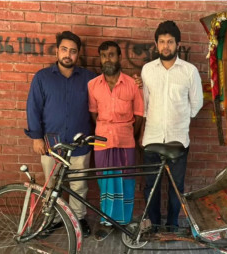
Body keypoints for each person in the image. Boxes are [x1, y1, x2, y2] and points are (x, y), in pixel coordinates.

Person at [25, 31, 95, 238]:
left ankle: (78, 219)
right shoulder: (42, 78)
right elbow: (33, 108)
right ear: (57, 51)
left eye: (73, 51)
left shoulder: (89, 78)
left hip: (80, 142)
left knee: (79, 184)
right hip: (51, 144)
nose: (68, 55)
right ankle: (53, 219)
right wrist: (37, 137)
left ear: (78, 54)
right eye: (64, 49)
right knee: (52, 184)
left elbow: (108, 92)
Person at [140, 21, 203, 232]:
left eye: (170, 42)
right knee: (151, 186)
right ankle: (155, 225)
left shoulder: (189, 71)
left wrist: (182, 119)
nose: (165, 46)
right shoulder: (147, 70)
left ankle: (172, 225)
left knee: (176, 187)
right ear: (155, 44)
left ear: (178, 44)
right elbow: (144, 104)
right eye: (162, 42)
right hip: (152, 138)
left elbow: (197, 103)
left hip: (178, 139)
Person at [88, 41, 144, 240]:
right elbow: (94, 114)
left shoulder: (131, 84)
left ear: (119, 57)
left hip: (125, 140)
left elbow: (139, 116)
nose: (107, 59)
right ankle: (106, 222)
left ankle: (124, 222)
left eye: (112, 55)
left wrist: (129, 133)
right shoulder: (93, 85)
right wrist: (105, 128)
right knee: (105, 181)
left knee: (126, 180)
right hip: (102, 142)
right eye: (104, 55)